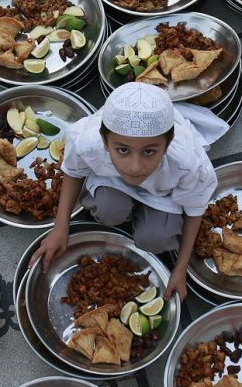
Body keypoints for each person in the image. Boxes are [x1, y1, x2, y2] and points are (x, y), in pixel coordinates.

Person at [28, 82, 229, 300]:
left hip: (163, 192)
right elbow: (73, 171)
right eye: (123, 150)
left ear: (168, 143)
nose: (135, 167)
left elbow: (194, 209)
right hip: (112, 179)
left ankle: (146, 220)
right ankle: (125, 208)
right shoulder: (89, 142)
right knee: (107, 211)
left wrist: (180, 269)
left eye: (149, 152)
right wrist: (60, 226)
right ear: (105, 142)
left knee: (155, 240)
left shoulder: (187, 163)